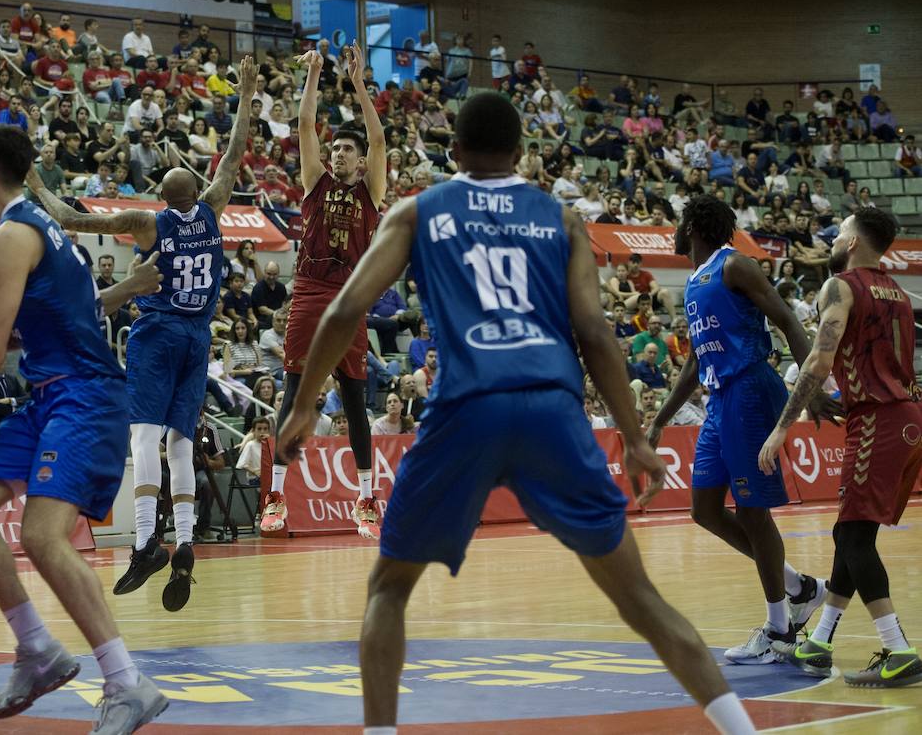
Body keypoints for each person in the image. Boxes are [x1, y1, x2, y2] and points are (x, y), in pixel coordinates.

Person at [274, 90, 755, 735]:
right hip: (552, 411)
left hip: (464, 412)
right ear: (523, 152)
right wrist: (637, 438)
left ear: (453, 152)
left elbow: (342, 311)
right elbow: (593, 331)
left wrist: (306, 404)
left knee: (388, 590)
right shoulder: (560, 220)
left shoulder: (418, 212)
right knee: (641, 599)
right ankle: (741, 729)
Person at [0, 126, 168, 731]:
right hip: (52, 395)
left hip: (85, 398)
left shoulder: (10, 235)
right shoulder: (43, 228)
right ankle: (38, 649)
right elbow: (49, 324)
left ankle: (127, 683)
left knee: (44, 537)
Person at [25, 55, 258, 612]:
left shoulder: (146, 222)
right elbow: (232, 155)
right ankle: (183, 541)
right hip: (200, 340)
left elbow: (68, 215)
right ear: (198, 191)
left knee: (142, 438)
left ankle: (144, 539)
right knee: (180, 445)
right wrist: (246, 93)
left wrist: (33, 178)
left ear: (161, 195)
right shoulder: (214, 209)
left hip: (158, 332)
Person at [649, 195, 836, 664]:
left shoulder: (735, 266)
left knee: (753, 514)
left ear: (693, 224)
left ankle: (779, 631)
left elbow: (788, 320)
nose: (674, 229)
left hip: (750, 389)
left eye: (679, 221)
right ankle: (801, 588)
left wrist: (811, 386)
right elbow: (695, 360)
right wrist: (658, 418)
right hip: (718, 400)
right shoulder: (695, 281)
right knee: (704, 509)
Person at [759, 209, 922, 687]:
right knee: (851, 535)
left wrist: (782, 427)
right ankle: (820, 641)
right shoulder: (899, 293)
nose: (832, 239)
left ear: (852, 242)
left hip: (878, 419)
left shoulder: (841, 285)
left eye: (839, 232)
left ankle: (899, 650)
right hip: (905, 416)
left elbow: (818, 359)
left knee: (853, 538)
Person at [263, 43, 387, 541]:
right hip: (312, 290)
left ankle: (365, 498)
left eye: (346, 149)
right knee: (295, 394)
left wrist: (357, 81)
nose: (338, 153)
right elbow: (305, 123)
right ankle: (274, 497)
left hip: (350, 296)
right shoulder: (314, 181)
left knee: (355, 400)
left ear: (359, 161)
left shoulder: (370, 190)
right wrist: (314, 73)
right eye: (334, 148)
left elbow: (379, 139)